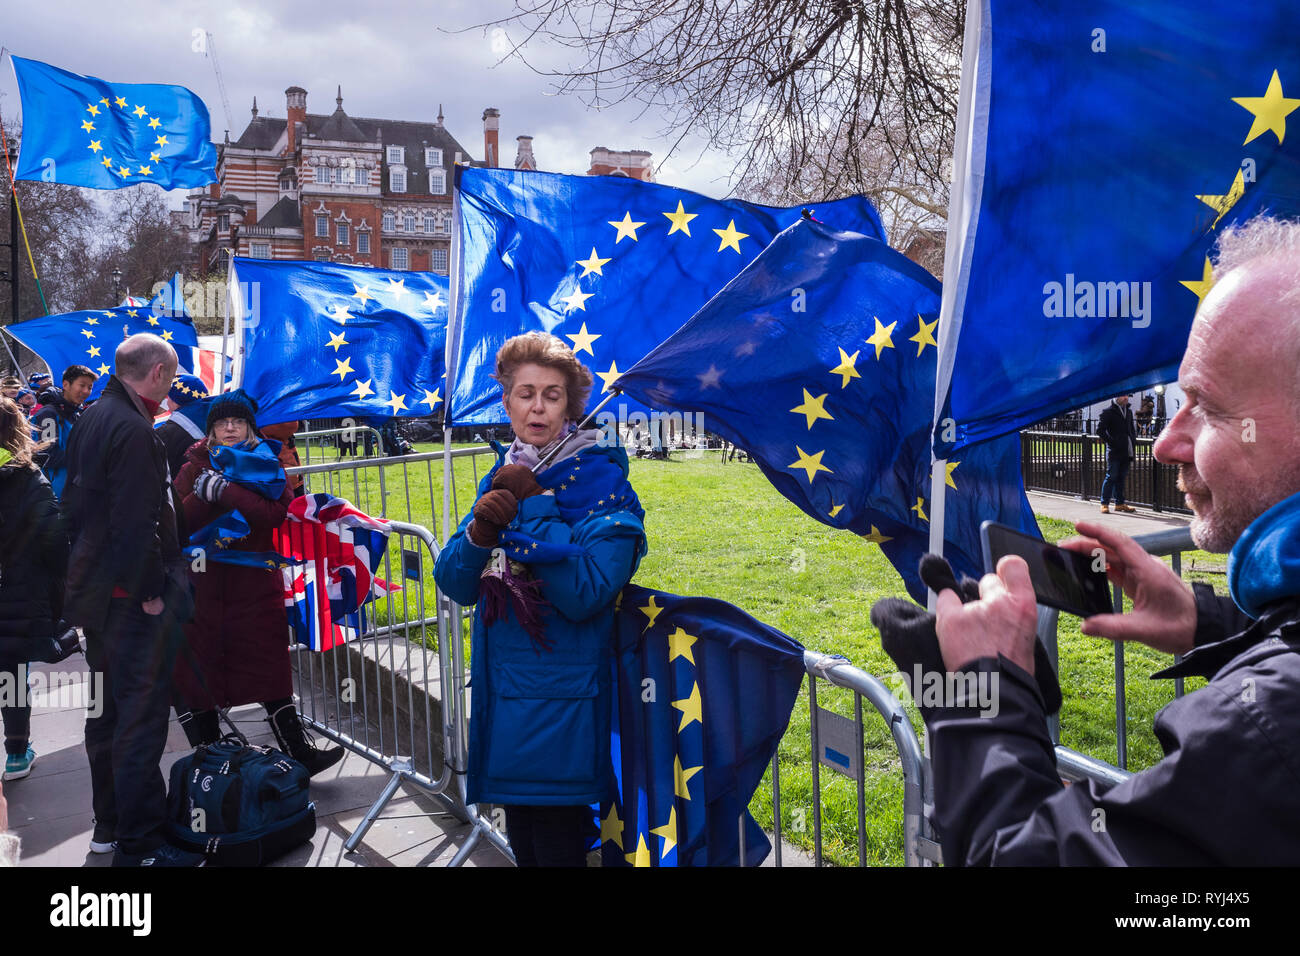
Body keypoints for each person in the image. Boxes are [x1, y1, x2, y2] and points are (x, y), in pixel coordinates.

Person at [911, 215, 1300, 865]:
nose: (1168, 442)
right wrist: (1206, 621)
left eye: (1205, 407)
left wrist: (983, 693)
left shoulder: (1269, 729)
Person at [433, 332, 647, 867]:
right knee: (526, 847)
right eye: (525, 392)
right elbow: (456, 583)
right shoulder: (509, 467)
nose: (537, 406)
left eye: (552, 395)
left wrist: (531, 505)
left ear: (571, 406)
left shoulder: (604, 485)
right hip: (504, 696)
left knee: (555, 848)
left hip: (564, 705)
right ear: (506, 401)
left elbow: (586, 593)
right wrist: (481, 531)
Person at [62, 333, 203, 867]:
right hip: (126, 600)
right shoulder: (133, 428)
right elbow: (136, 523)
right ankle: (142, 842)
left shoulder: (95, 415)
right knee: (139, 721)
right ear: (160, 375)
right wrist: (147, 591)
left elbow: (77, 506)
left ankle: (111, 825)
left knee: (106, 717)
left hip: (97, 597)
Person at [171, 389, 343, 775]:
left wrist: (226, 489)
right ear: (211, 428)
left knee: (269, 667)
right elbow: (179, 524)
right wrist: (204, 495)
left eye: (238, 421)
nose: (230, 427)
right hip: (203, 586)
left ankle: (299, 751)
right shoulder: (193, 464)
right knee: (201, 670)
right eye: (221, 421)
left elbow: (274, 515)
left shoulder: (268, 461)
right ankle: (209, 760)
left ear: (250, 426)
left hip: (255, 582)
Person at [0, 397, 68, 783]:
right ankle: (15, 752)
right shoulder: (27, 478)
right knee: (10, 673)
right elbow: (55, 542)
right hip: (18, 592)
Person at [31, 364, 97, 499]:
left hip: (76, 491)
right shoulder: (48, 414)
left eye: (90, 387)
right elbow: (47, 454)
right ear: (66, 385)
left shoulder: (76, 413)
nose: (86, 391)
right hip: (55, 493)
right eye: (82, 385)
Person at [154, 373, 211, 483]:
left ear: (176, 401)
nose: (167, 401)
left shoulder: (166, 434)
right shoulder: (217, 428)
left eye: (168, 396)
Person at [1096, 392, 1137, 514]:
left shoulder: (1128, 412)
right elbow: (1100, 430)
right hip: (1114, 451)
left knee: (1121, 478)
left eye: (1127, 396)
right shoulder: (1107, 412)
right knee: (1111, 477)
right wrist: (1112, 443)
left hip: (1126, 450)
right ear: (1115, 397)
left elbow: (1131, 429)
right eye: (1123, 395)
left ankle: (1119, 503)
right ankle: (1104, 503)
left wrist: (1133, 441)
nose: (1126, 398)